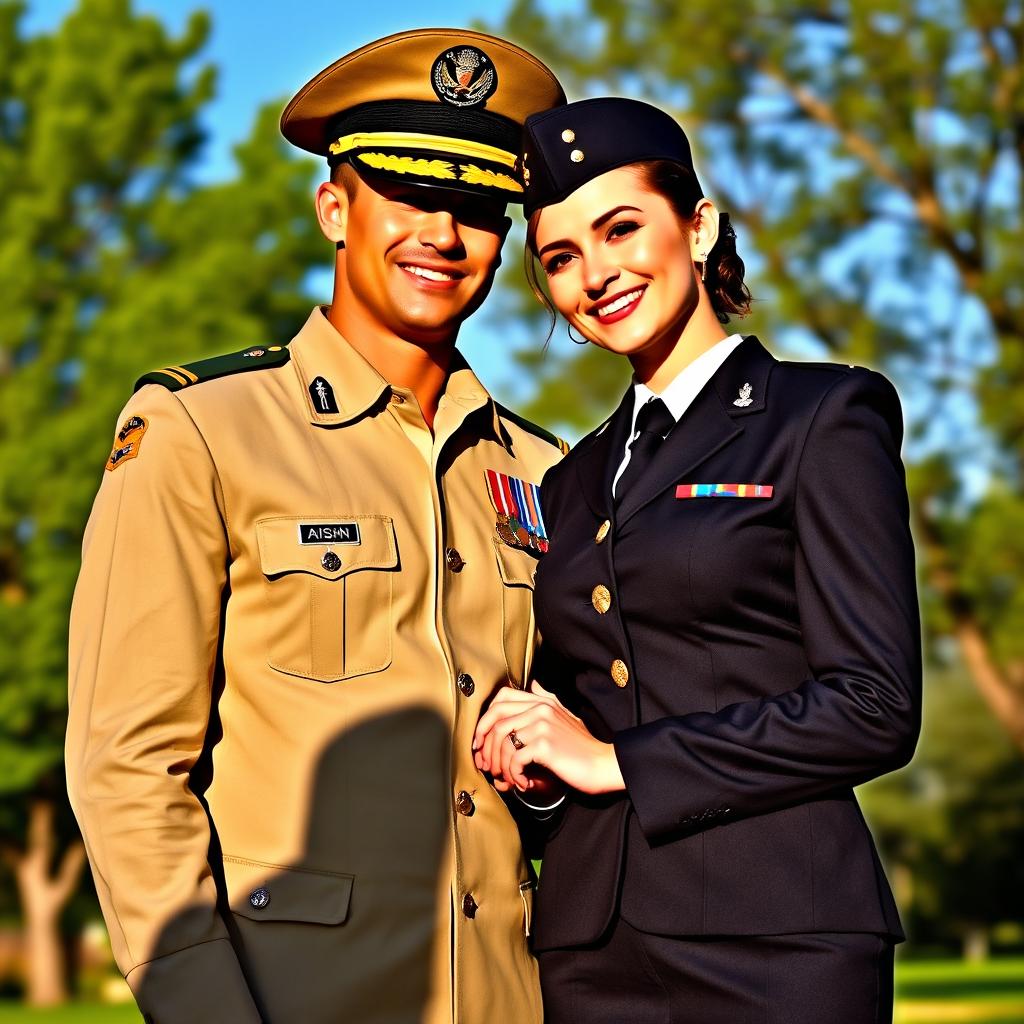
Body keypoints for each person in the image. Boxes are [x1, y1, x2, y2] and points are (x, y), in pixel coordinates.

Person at [66, 28, 568, 1024]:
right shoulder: (200, 429)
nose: (444, 235)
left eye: (476, 209)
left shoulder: (544, 469)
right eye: (411, 197)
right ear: (335, 208)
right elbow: (127, 768)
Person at [474, 97, 921, 1024]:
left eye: (621, 228)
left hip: (781, 945)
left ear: (699, 224)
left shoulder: (823, 418)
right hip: (592, 955)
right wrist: (539, 759)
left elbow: (874, 707)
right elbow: (590, 714)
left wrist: (618, 763)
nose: (596, 275)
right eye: (561, 258)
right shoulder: (566, 479)